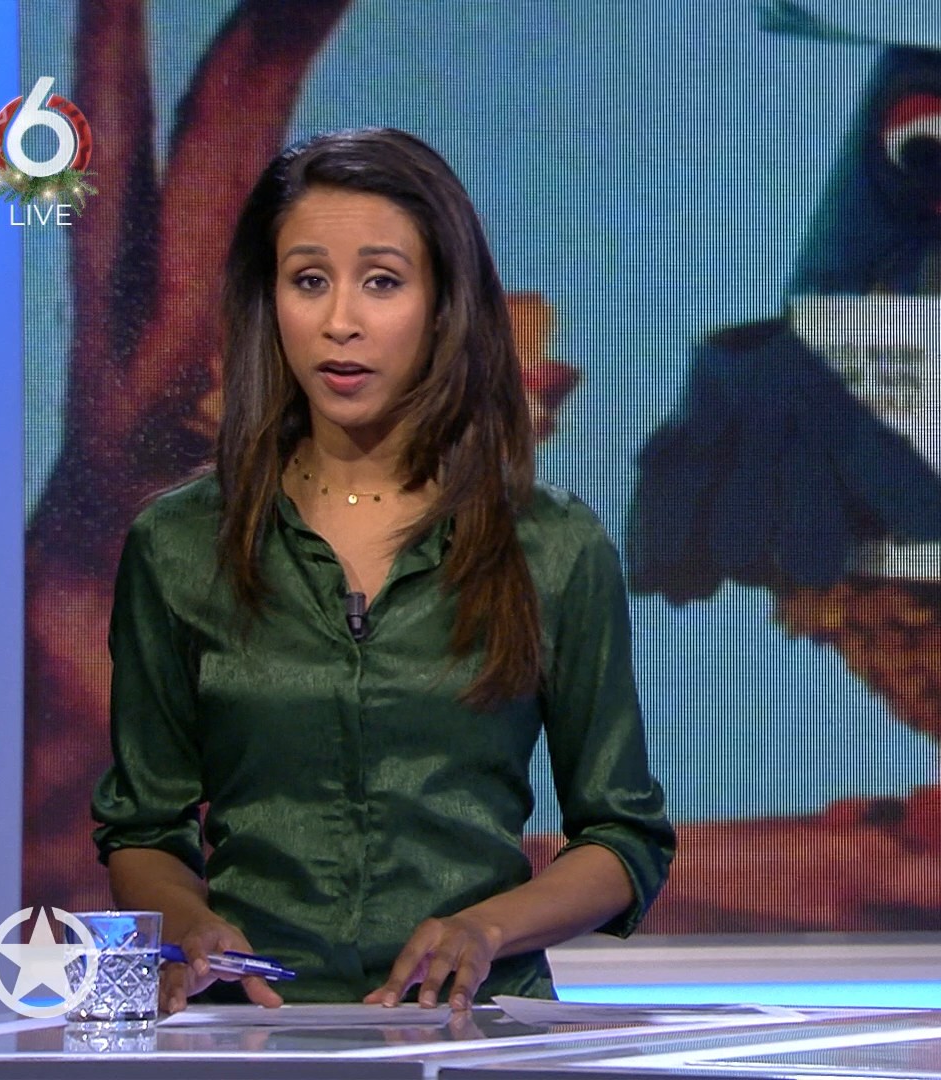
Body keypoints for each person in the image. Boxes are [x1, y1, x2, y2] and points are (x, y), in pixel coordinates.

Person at [90, 128, 674, 1013]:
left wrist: (487, 929)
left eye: (382, 282)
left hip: (469, 1032)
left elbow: (623, 837)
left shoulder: (551, 546)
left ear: (443, 305)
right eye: (308, 281)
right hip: (255, 1037)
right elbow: (140, 827)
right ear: (269, 302)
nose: (341, 322)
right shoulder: (178, 544)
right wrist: (190, 923)